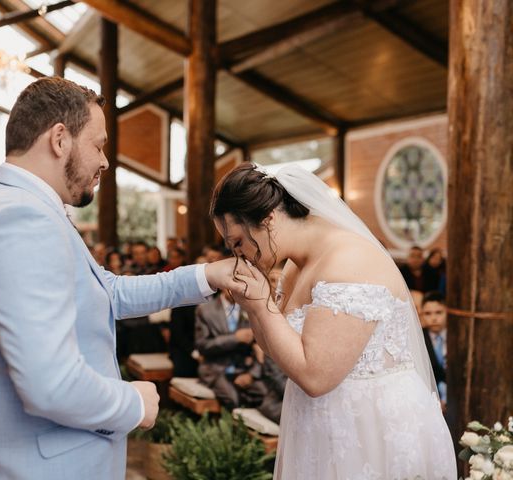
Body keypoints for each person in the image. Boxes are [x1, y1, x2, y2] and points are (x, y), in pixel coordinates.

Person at [0, 77, 232, 480]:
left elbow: (106, 291)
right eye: (98, 145)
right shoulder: (19, 220)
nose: (105, 161)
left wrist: (205, 275)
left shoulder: (33, 211)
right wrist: (133, 403)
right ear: (60, 139)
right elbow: (51, 383)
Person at [210, 163, 456, 479]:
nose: (239, 256)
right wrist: (254, 304)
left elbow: (316, 377)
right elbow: (276, 349)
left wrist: (260, 306)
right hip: (321, 425)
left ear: (268, 219)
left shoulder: (348, 260)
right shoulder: (294, 266)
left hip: (368, 429)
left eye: (238, 242)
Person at [195, 289, 266, 410]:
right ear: (223, 286)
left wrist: (251, 374)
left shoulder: (249, 308)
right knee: (232, 399)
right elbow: (202, 346)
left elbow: (259, 348)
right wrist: (234, 338)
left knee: (263, 393)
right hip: (217, 369)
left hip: (243, 368)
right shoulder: (205, 310)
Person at [420, 291, 448, 407]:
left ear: (447, 312)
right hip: (429, 399)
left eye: (438, 312)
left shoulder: (459, 336)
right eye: (428, 313)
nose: (434, 318)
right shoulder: (418, 338)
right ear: (421, 315)